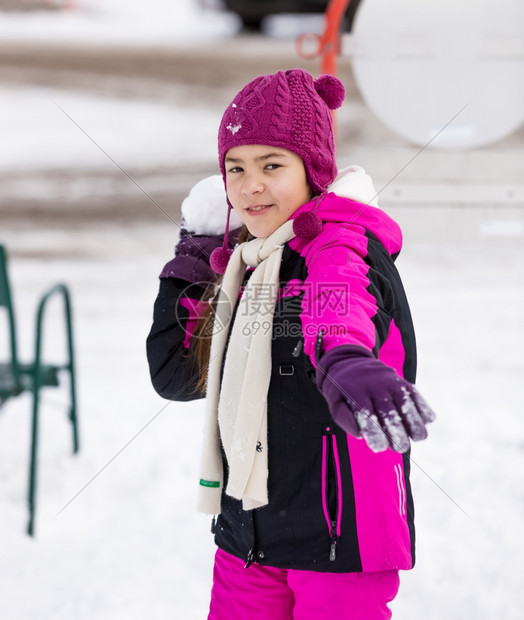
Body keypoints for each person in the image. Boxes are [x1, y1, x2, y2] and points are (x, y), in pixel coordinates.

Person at [147, 69, 435, 620]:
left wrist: (346, 358)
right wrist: (193, 256)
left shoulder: (338, 245)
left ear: (313, 171)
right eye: (236, 168)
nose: (250, 185)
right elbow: (176, 372)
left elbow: (338, 304)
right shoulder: (241, 265)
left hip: (336, 533)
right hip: (248, 529)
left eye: (272, 166)